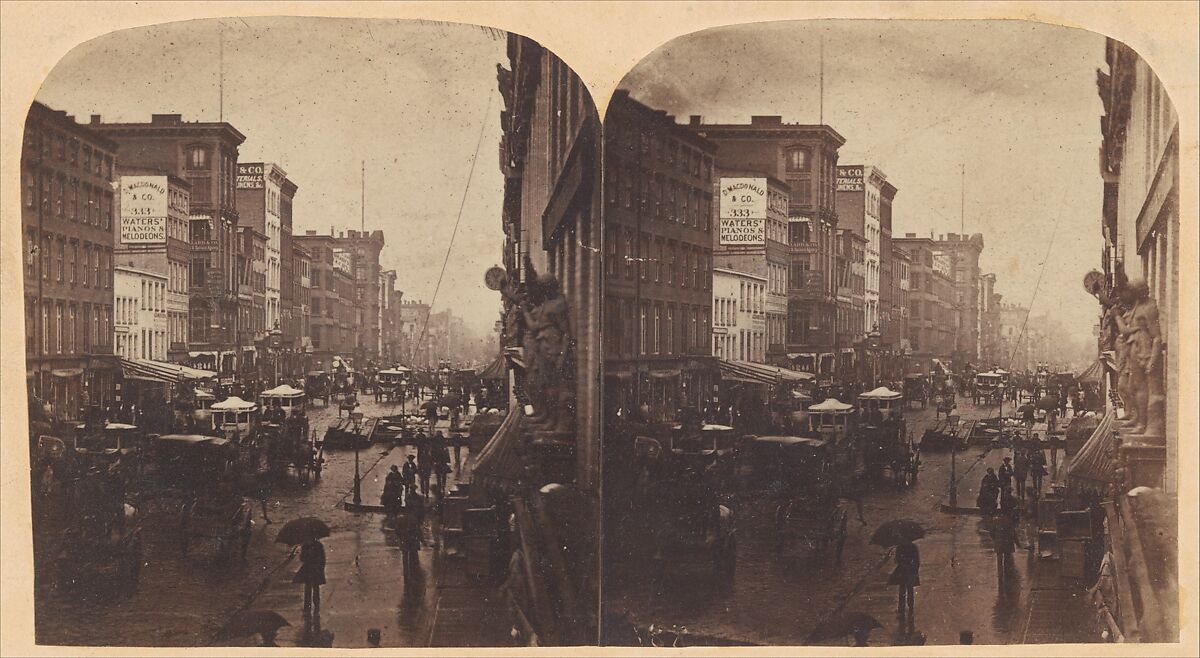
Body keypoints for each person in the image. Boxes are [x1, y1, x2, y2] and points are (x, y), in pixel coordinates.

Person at [294, 538, 326, 614]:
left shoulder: (307, 545)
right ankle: (313, 606)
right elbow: (322, 559)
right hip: (313, 569)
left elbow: (302, 558)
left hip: (311, 569)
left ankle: (311, 606)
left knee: (311, 588)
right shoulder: (317, 545)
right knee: (313, 588)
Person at [889, 540, 920, 619]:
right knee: (910, 589)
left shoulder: (900, 547)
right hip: (910, 571)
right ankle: (911, 607)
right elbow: (917, 561)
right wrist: (915, 570)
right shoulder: (913, 547)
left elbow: (897, 560)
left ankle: (901, 610)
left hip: (902, 571)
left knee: (902, 590)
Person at [993, 513, 1017, 582]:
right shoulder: (1009, 522)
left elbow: (991, 532)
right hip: (1007, 543)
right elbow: (1014, 534)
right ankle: (1007, 575)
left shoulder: (996, 521)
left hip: (999, 543)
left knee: (999, 560)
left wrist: (995, 538)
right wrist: (1018, 544)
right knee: (1007, 560)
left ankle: (1000, 576)